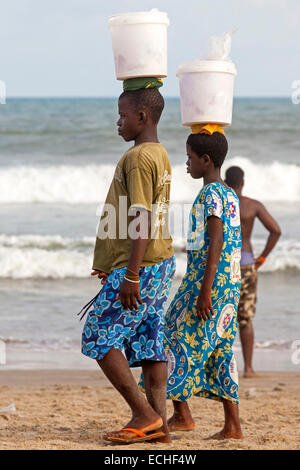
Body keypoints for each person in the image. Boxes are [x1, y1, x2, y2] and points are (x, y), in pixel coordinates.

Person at [79, 78, 175, 444]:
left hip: (142, 266)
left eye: (121, 116)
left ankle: (143, 413)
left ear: (142, 114)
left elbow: (141, 217)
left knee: (97, 333)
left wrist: (131, 273)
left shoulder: (136, 159)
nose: (117, 123)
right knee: (150, 343)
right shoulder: (160, 153)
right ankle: (160, 427)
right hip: (161, 263)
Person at [162, 126, 243, 440]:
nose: (186, 163)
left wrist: (205, 290)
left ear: (206, 160)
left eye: (189, 157)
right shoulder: (229, 194)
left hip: (206, 284)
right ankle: (232, 426)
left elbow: (217, 240)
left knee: (170, 333)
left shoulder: (210, 193)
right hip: (229, 285)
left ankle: (182, 415)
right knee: (222, 348)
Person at [225, 166, 281, 377]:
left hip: (223, 265)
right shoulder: (252, 206)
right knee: (245, 318)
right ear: (243, 182)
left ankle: (217, 367)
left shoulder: (221, 204)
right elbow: (276, 230)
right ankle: (248, 368)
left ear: (226, 181)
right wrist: (263, 257)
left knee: (220, 316)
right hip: (247, 263)